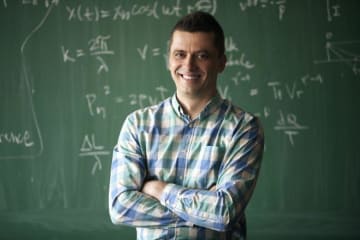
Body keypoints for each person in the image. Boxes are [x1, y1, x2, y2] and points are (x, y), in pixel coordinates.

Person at [109, 11, 264, 240]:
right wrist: (204, 209)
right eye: (180, 54)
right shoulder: (138, 125)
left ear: (221, 62)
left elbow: (224, 212)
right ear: (169, 60)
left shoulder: (244, 128)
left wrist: (159, 190)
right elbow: (120, 207)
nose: (188, 65)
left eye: (202, 55)